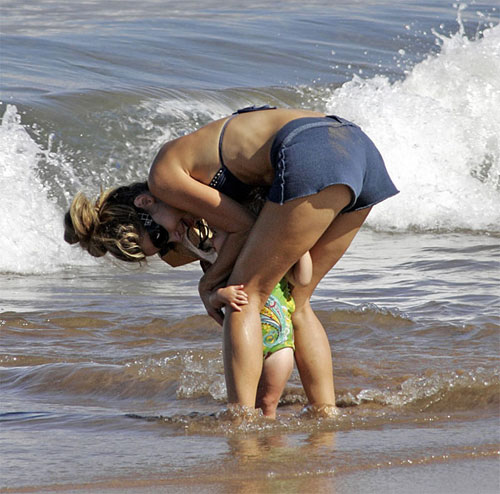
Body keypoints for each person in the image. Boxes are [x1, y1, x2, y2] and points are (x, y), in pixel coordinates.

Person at [65, 105, 399, 416]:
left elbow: (244, 227)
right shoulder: (187, 199)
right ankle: (325, 413)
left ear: (145, 201)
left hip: (312, 149)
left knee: (246, 295)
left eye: (160, 237)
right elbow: (210, 245)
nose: (173, 241)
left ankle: (242, 418)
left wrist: (207, 285)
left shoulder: (163, 176)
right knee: (298, 300)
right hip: (359, 151)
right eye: (163, 248)